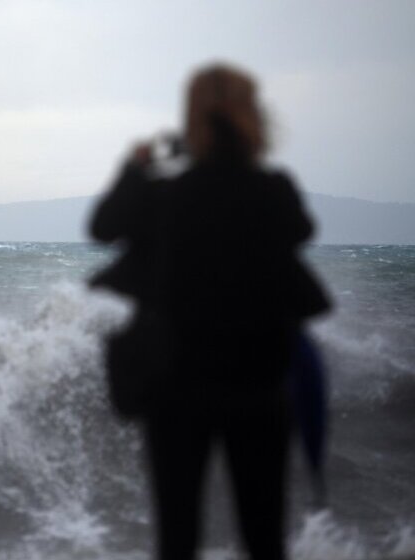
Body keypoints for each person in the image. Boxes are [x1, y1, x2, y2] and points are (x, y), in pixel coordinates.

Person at [88, 63, 330, 560]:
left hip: (177, 386)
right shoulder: (272, 190)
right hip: (259, 383)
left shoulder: (165, 196)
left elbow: (103, 226)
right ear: (252, 118)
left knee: (177, 540)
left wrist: (136, 167)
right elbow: (301, 231)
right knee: (264, 539)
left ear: (192, 121)